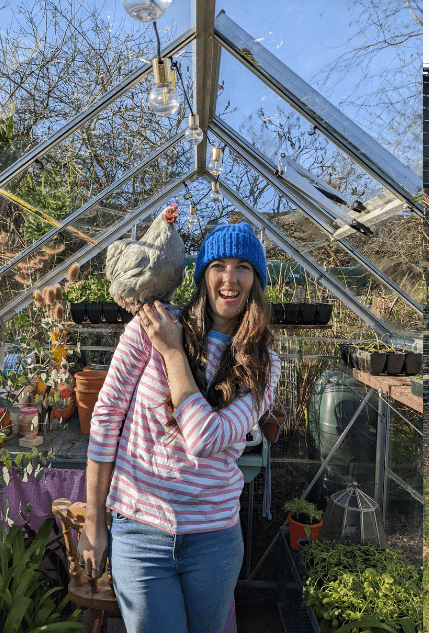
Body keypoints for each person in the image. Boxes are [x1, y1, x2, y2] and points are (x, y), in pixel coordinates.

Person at [78, 222, 280, 631]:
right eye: (218, 265)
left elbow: (205, 440)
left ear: (255, 281)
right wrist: (94, 522)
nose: (230, 277)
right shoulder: (149, 326)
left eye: (243, 267)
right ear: (203, 276)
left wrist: (172, 354)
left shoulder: (264, 365)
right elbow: (104, 423)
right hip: (140, 532)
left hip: (214, 540)